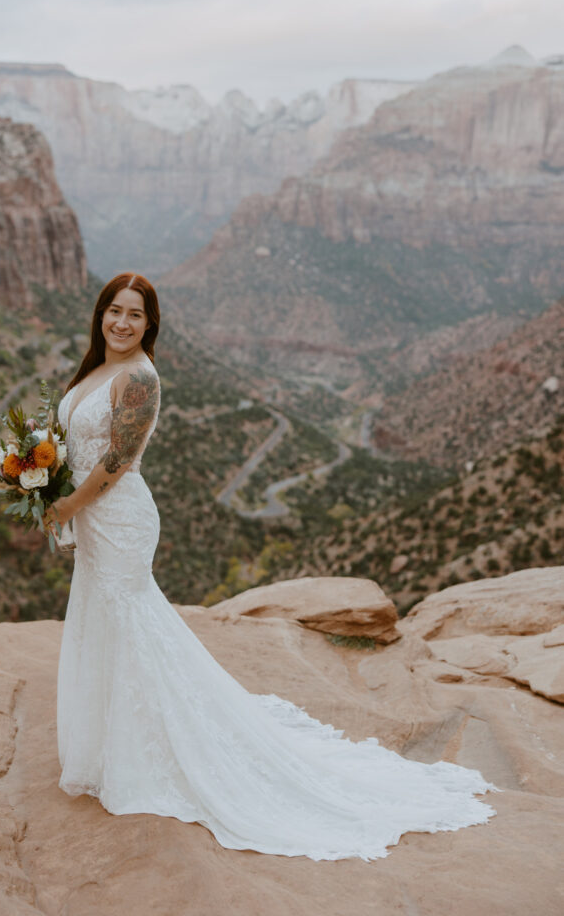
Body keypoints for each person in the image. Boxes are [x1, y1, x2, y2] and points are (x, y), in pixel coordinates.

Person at [44, 272, 499, 862]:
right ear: (100, 314)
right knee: (107, 626)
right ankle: (114, 747)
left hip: (119, 518)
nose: (122, 322)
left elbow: (114, 461)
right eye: (114, 310)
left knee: (131, 627)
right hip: (91, 520)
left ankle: (160, 753)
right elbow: (72, 447)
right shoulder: (94, 370)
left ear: (150, 324)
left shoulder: (139, 379)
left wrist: (65, 506)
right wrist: (43, 480)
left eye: (135, 314)